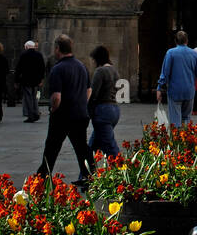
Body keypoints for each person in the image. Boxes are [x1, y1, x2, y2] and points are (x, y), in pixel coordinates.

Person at [36, 35, 93, 184]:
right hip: (80, 114)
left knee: (52, 148)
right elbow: (88, 90)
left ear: (57, 49)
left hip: (62, 115)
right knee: (81, 147)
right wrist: (80, 103)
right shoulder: (82, 66)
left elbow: (56, 96)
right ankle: (90, 175)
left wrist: (54, 109)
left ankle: (43, 178)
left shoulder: (58, 69)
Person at [156, 30, 197, 127]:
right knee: (186, 118)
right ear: (187, 41)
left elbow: (165, 73)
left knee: (175, 120)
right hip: (189, 91)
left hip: (175, 90)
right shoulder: (194, 54)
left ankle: (177, 139)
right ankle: (185, 139)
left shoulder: (171, 53)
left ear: (175, 41)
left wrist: (160, 88)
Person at [87, 45, 120, 159]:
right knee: (92, 146)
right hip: (114, 109)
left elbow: (94, 93)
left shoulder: (100, 71)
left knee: (110, 146)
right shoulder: (113, 70)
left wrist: (88, 110)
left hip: (103, 110)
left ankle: (121, 170)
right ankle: (86, 173)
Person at [15, 40, 45, 123]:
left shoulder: (23, 55)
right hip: (36, 80)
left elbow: (19, 68)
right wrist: (41, 79)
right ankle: (36, 113)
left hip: (26, 80)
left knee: (28, 97)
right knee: (34, 97)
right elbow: (42, 68)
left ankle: (31, 115)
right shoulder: (39, 55)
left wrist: (16, 81)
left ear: (27, 47)